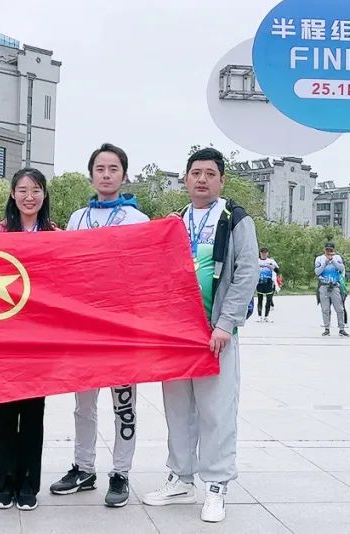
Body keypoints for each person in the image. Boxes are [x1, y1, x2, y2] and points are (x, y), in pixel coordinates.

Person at [141, 147, 258, 523]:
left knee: (216, 411)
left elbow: (246, 272)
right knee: (178, 410)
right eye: (195, 173)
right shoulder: (175, 221)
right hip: (178, 335)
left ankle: (217, 484)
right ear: (186, 179)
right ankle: (180, 477)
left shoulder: (235, 219)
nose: (202, 179)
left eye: (210, 173)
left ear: (221, 180)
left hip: (214, 333)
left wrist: (226, 323)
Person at [50, 143, 150, 508]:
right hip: (84, 329)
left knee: (124, 404)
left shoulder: (138, 220)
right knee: (83, 405)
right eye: (100, 169)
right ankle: (84, 467)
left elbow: (147, 272)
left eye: (113, 169)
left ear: (124, 175)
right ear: (91, 175)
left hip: (122, 329)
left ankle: (121, 472)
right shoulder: (78, 218)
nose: (106, 175)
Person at [0, 168, 57, 512]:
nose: (30, 197)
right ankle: (5, 484)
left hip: (39, 341)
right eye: (23, 190)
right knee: (4, 413)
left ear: (44, 195)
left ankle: (29, 484)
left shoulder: (56, 235)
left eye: (36, 190)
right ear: (13, 194)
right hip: (3, 339)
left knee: (33, 414)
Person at [315, 242, 348, 337]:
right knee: (325, 309)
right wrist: (325, 263)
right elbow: (317, 272)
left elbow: (341, 269)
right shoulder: (319, 259)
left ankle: (341, 328)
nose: (329, 251)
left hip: (335, 286)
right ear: (324, 249)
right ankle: (327, 328)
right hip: (324, 285)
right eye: (327, 250)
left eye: (331, 250)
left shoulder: (337, 258)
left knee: (339, 308)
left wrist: (333, 261)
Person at [256, 247, 278, 322]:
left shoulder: (271, 261)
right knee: (260, 300)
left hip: (268, 283)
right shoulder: (257, 261)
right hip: (260, 283)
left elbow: (278, 270)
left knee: (268, 300)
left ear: (267, 253)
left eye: (265, 253)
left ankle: (266, 316)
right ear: (260, 253)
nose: (264, 254)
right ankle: (259, 316)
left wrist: (272, 267)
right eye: (262, 253)